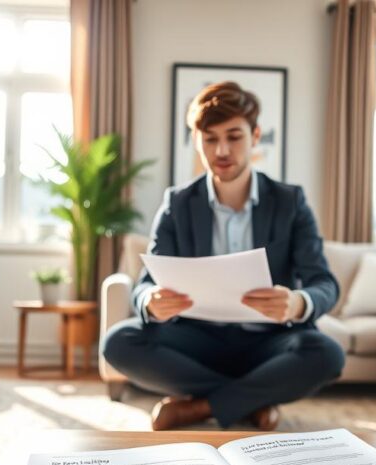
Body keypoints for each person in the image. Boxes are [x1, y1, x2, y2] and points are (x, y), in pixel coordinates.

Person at [101, 81, 344, 431]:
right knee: (118, 342)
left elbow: (323, 282)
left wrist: (297, 303)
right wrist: (150, 301)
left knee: (327, 354)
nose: (222, 150)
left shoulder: (290, 202)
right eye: (210, 139)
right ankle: (251, 402)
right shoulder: (177, 203)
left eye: (234, 136)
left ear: (255, 136)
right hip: (196, 340)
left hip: (268, 342)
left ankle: (198, 407)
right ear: (197, 141)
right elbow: (145, 285)